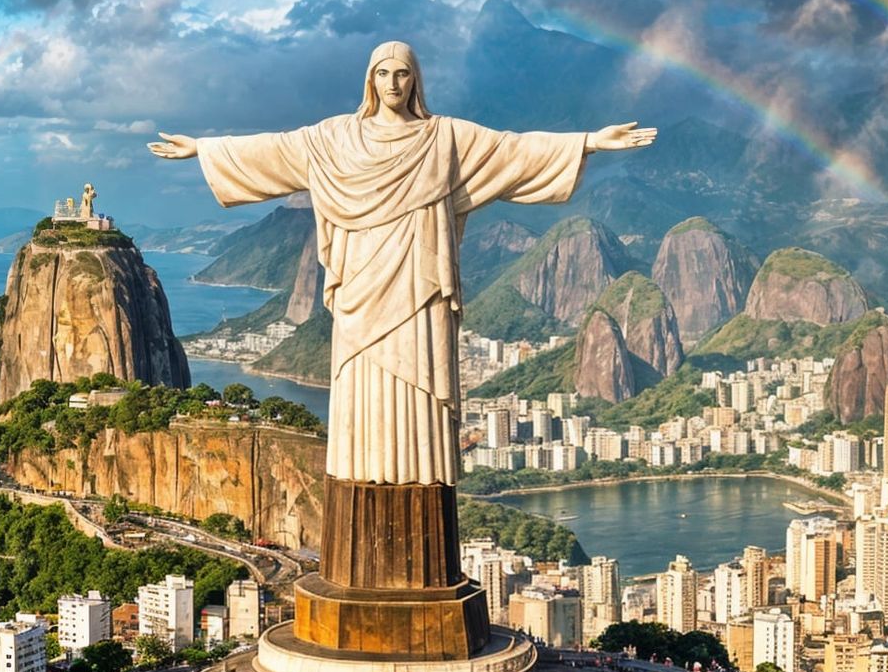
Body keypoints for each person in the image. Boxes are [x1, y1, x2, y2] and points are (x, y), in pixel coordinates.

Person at [149, 40, 654, 487]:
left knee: (418, 380)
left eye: (402, 73)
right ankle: (361, 464)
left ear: (416, 81)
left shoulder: (443, 137)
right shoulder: (335, 138)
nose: (393, 82)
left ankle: (420, 465)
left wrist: (590, 141)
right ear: (370, 80)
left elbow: (513, 150)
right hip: (360, 285)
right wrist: (204, 149)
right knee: (363, 383)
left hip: (419, 283)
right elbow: (275, 149)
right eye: (383, 73)